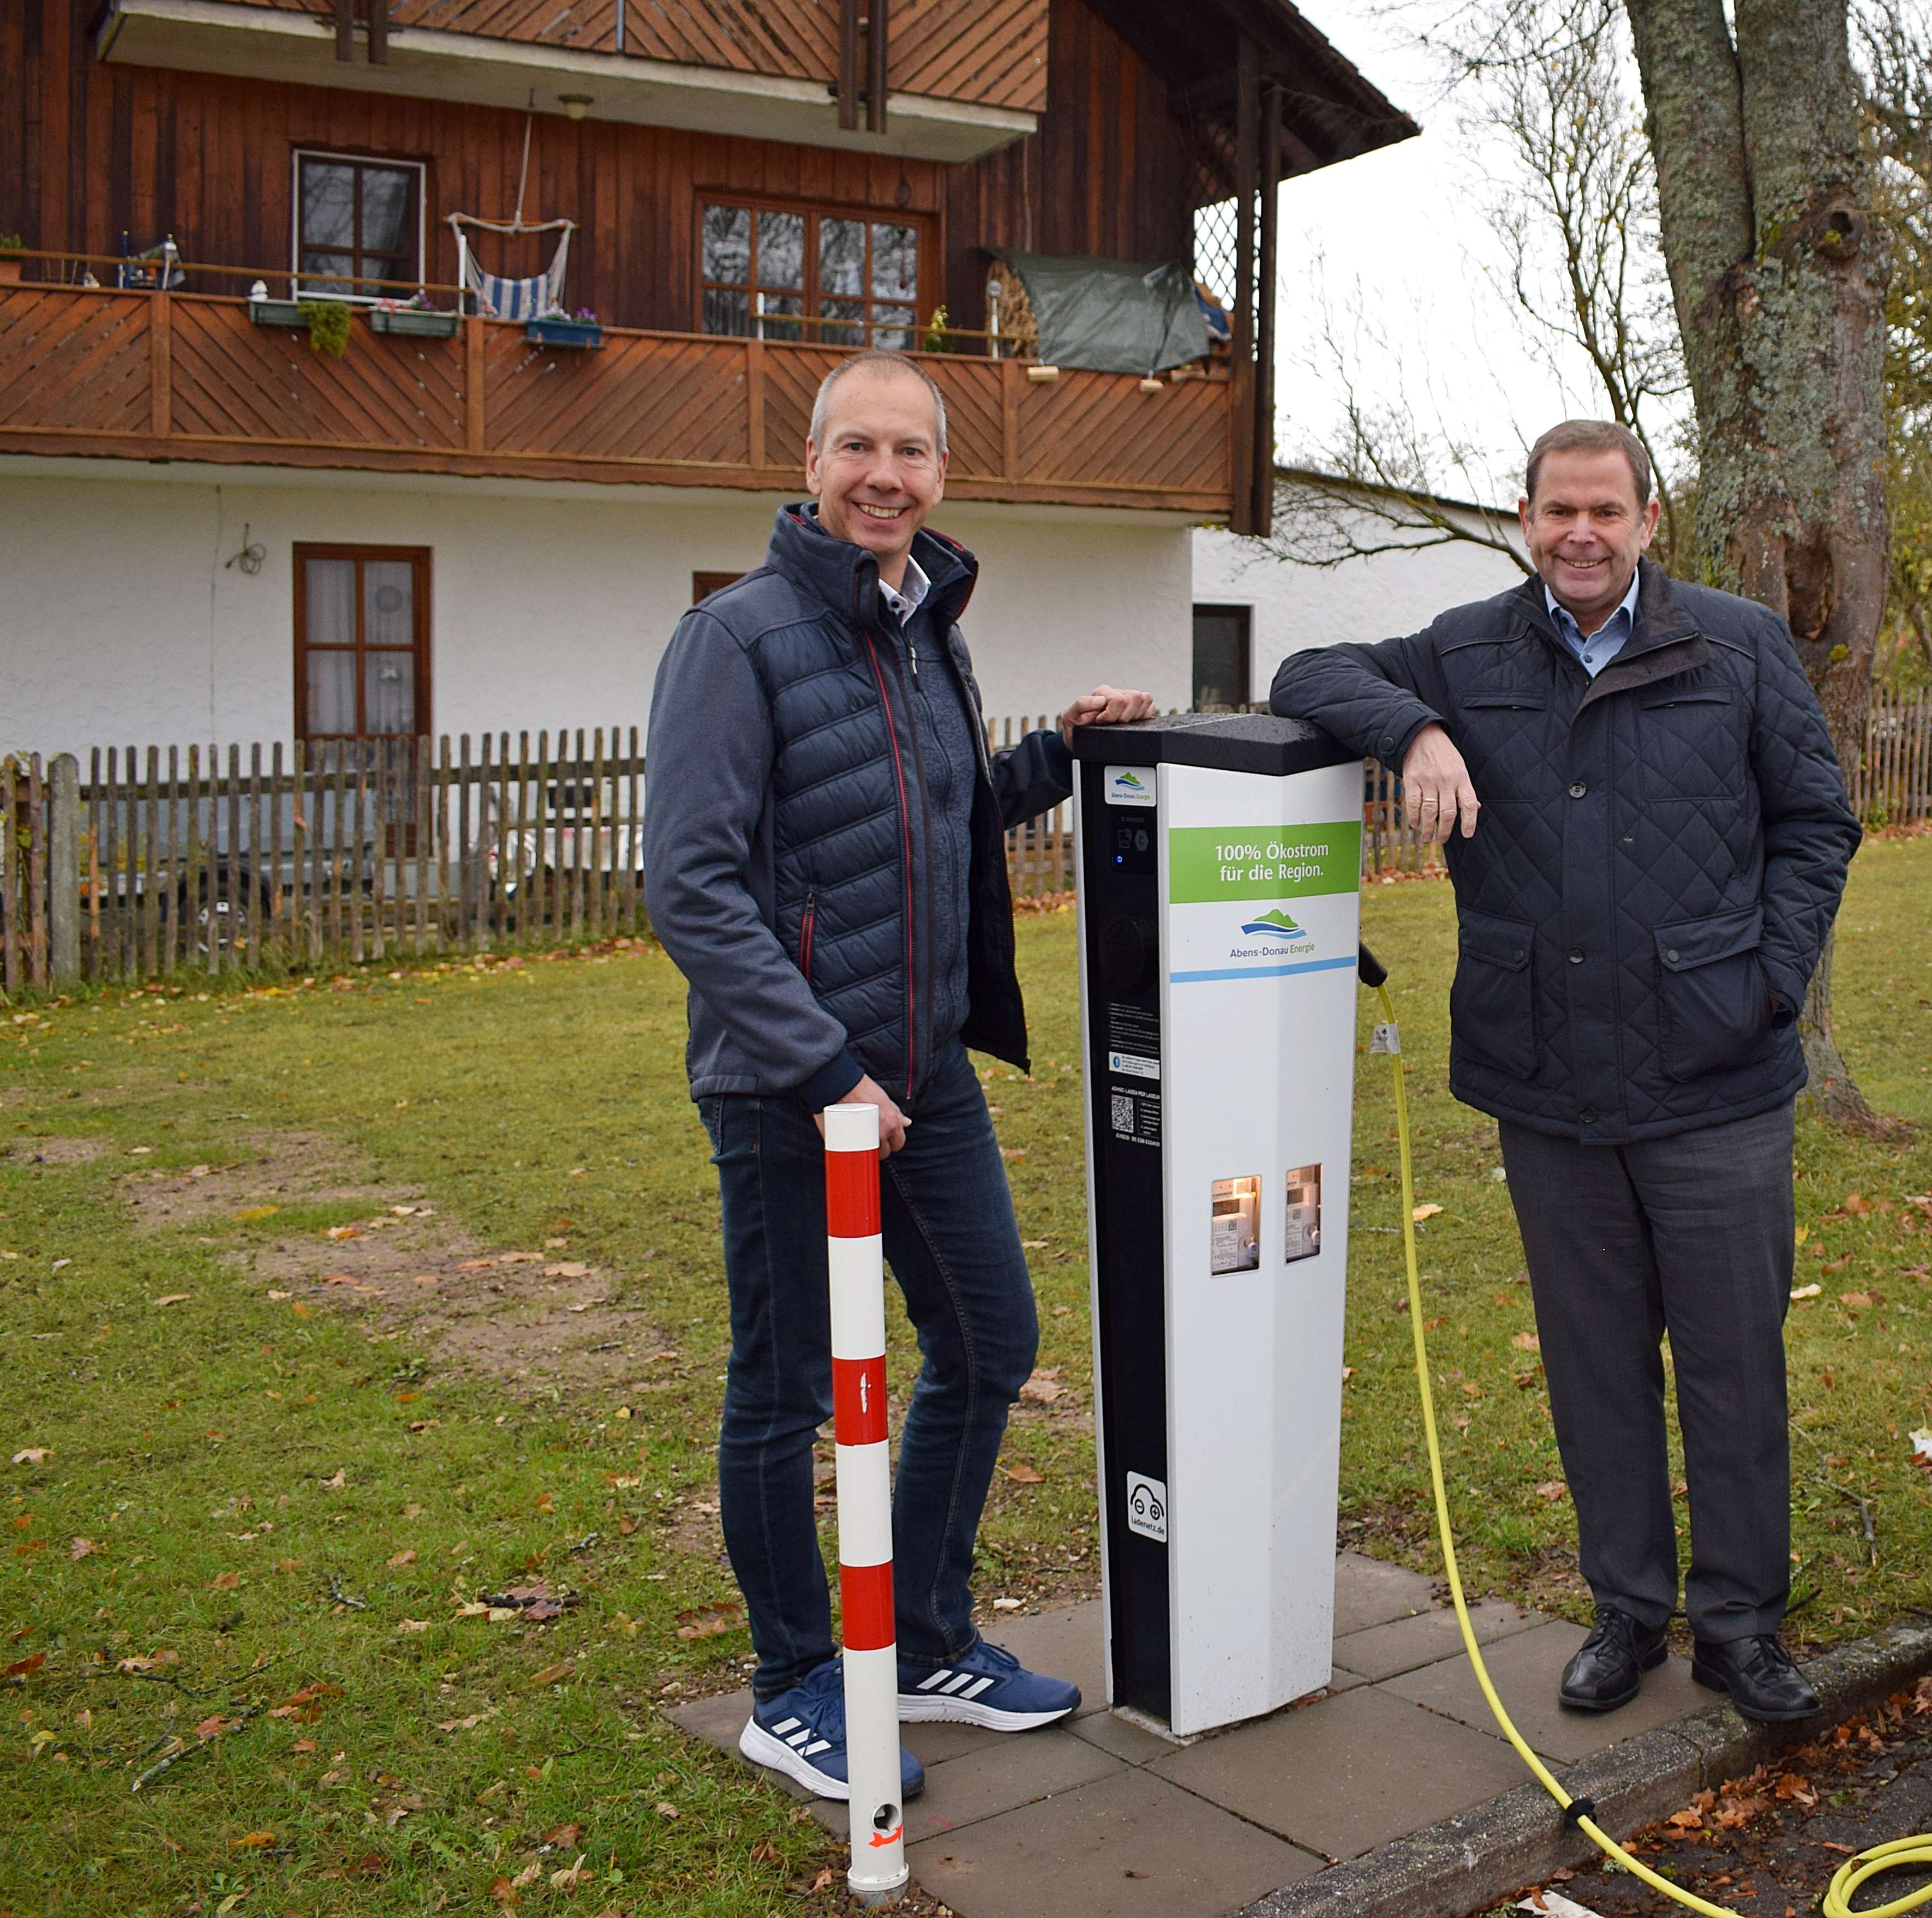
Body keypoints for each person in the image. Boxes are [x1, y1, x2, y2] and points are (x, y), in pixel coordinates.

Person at [1270, 418, 1861, 1723]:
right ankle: (1628, 1611)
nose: (1579, 534)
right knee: (1594, 1362)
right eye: (1556, 513)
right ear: (1523, 519)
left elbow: (1818, 819)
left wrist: (1766, 983)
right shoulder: (1468, 649)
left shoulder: (1736, 643)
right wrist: (1415, 728)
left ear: (1651, 518)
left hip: (1716, 1073)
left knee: (1730, 1366)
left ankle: (1740, 1627)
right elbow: (1303, 666)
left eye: (1606, 511)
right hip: (1548, 1072)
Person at [645, 351, 1156, 1800]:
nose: (886, 474)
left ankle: (924, 1634)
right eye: (859, 447)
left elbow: (933, 816)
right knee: (785, 1387)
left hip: (921, 1075)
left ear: (941, 473)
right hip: (786, 1084)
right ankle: (792, 1678)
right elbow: (690, 885)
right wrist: (821, 1065)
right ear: (810, 465)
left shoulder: (922, 628)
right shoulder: (732, 640)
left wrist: (1055, 752)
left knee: (991, 1338)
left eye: (912, 451)